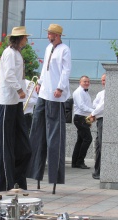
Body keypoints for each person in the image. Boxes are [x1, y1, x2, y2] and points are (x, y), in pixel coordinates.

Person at [27, 24, 71, 192]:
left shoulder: (65, 50)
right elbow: (44, 69)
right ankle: (34, 172)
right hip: (44, 93)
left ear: (56, 35)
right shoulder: (48, 48)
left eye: (50, 34)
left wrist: (60, 87)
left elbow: (66, 71)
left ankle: (54, 177)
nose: (48, 36)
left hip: (55, 95)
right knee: (37, 134)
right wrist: (39, 82)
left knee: (54, 138)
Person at [0, 26, 32, 192]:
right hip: (8, 101)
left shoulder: (17, 53)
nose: (26, 40)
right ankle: (4, 183)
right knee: (4, 144)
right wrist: (19, 89)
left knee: (23, 145)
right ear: (19, 38)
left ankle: (17, 180)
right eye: (24, 37)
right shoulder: (9, 53)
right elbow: (8, 75)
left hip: (15, 102)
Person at [71, 75, 94, 169]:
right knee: (88, 139)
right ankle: (80, 161)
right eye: (85, 81)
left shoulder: (85, 92)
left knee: (80, 140)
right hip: (80, 118)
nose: (87, 83)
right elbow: (81, 106)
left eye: (88, 81)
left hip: (83, 118)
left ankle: (75, 162)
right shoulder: (79, 92)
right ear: (80, 82)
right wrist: (93, 112)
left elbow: (87, 105)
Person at [90, 74, 106, 180]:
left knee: (101, 145)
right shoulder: (100, 93)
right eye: (102, 80)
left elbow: (102, 106)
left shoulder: (109, 92)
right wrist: (95, 111)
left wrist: (93, 114)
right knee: (98, 146)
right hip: (99, 119)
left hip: (103, 119)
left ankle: (99, 171)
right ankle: (97, 170)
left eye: (104, 80)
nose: (103, 82)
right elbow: (94, 104)